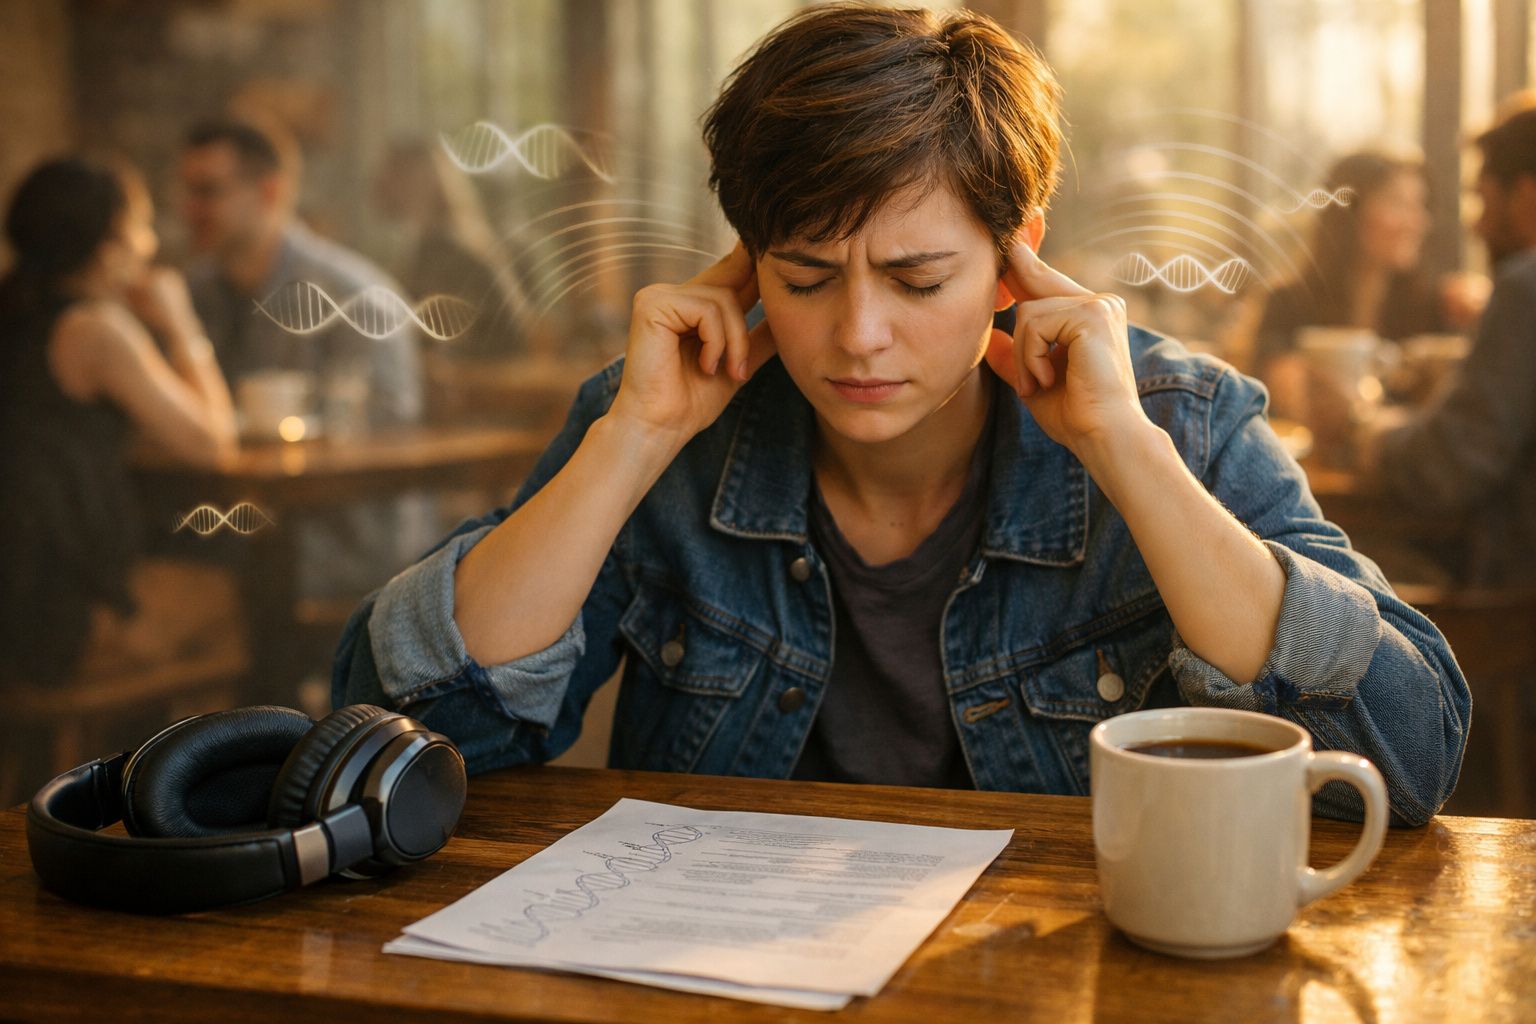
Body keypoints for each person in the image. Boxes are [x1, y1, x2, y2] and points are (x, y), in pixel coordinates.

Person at [334, 3, 1468, 826]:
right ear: (746, 264)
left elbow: (1409, 753)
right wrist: (630, 440)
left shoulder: (1176, 415)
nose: (858, 333)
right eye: (806, 276)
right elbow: (397, 733)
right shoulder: (671, 416)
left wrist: (1125, 450)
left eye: (918, 280)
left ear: (1016, 251)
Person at [0, 157, 240, 687]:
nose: (150, 244)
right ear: (108, 246)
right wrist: (182, 326)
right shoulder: (93, 328)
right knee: (245, 597)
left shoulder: (15, 313)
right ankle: (165, 765)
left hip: (17, 599)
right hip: (53, 619)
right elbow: (211, 443)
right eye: (142, 225)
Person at [179, 118, 429, 598]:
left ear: (269, 192)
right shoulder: (193, 292)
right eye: (186, 192)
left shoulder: (356, 297)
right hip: (234, 531)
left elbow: (389, 437)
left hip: (344, 541)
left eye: (207, 192)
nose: (190, 210)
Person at [1361, 107, 1536, 587]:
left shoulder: (1526, 286)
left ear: (1524, 195)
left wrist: (1370, 436)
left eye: (1483, 200)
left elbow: (1449, 466)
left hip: (1511, 614)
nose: (1476, 227)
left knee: (1329, 561)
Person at [1252, 150, 1484, 420]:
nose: (1417, 221)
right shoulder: (1288, 302)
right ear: (1349, 211)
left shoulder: (1436, 308)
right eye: (1397, 203)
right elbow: (1284, 398)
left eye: (1419, 205)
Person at [370, 138, 530, 361]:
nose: (378, 184)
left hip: (479, 377)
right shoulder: (433, 242)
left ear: (417, 183)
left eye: (392, 174)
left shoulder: (446, 248)